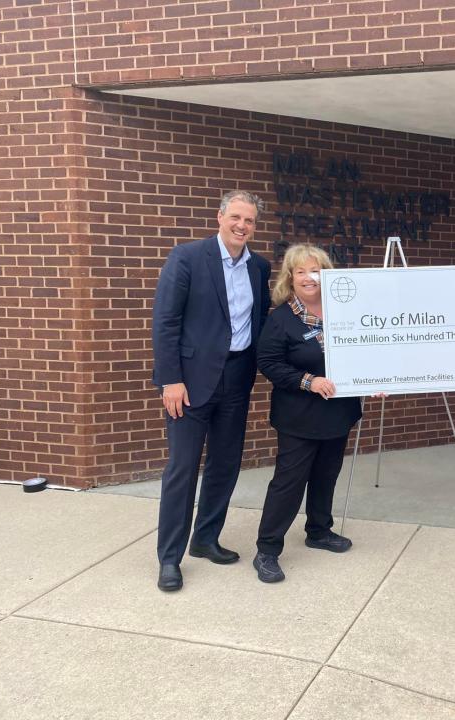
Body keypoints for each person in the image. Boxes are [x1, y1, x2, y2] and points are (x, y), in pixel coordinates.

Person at [151, 190, 272, 592]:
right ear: (220, 217)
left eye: (249, 220)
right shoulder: (187, 258)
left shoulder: (259, 266)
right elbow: (166, 321)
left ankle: (205, 539)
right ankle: (170, 558)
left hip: (237, 379)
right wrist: (170, 379)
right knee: (182, 470)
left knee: (225, 464)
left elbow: (258, 322)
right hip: (189, 383)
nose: (242, 225)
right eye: (236, 216)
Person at [252, 244, 363, 584]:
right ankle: (267, 550)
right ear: (290, 277)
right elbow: (268, 363)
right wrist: (308, 381)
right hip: (299, 416)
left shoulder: (346, 311)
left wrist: (379, 376)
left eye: (315, 270)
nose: (308, 277)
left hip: (339, 413)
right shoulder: (281, 318)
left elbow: (369, 349)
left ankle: (319, 530)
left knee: (327, 475)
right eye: (301, 271)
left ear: (326, 275)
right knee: (289, 482)